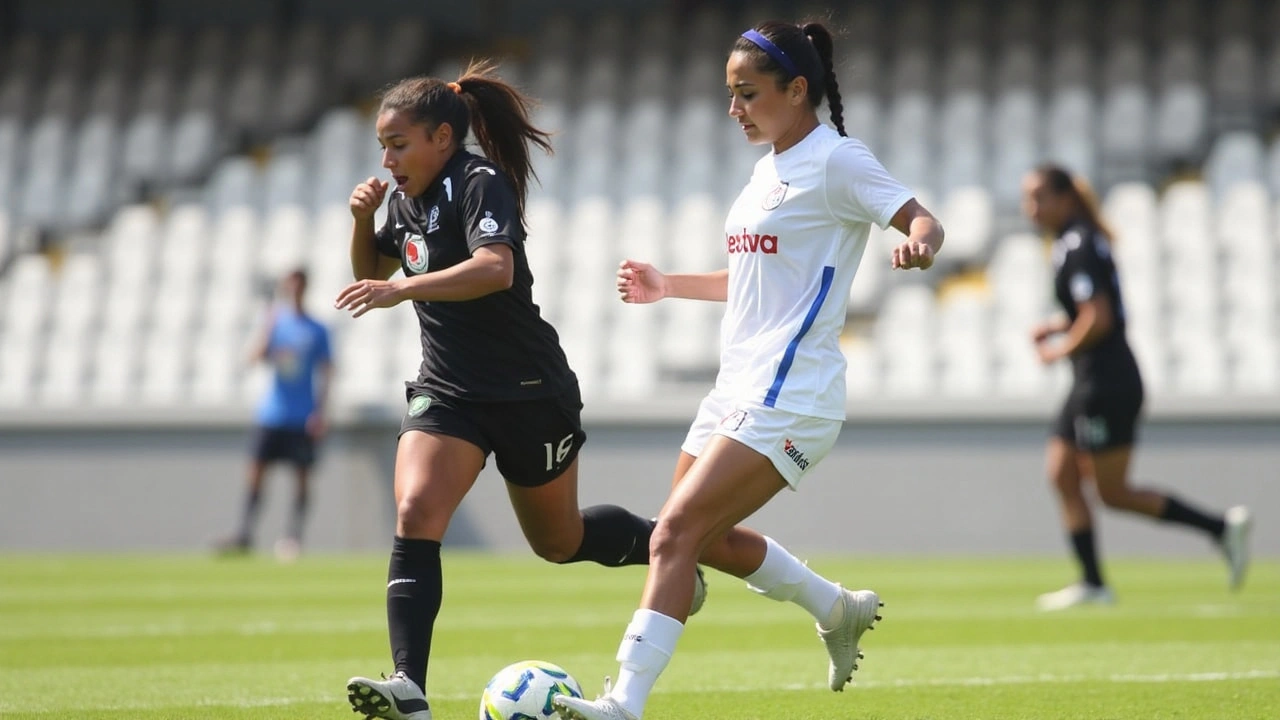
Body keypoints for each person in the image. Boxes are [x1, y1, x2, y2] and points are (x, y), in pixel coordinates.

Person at [554, 20, 944, 720]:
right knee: (696, 538)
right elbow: (757, 278)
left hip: (793, 395)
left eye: (747, 93)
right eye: (729, 94)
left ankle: (624, 703)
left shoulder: (838, 160)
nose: (734, 108)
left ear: (798, 90)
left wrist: (917, 245)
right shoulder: (767, 168)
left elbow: (923, 221)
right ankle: (836, 607)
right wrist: (669, 284)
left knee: (672, 535)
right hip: (737, 387)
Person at [335, 61, 707, 720]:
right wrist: (363, 223)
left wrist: (402, 288)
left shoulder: (481, 182)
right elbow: (373, 272)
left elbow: (494, 268)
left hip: (529, 389)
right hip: (448, 391)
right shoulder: (401, 199)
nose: (387, 159)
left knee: (558, 543)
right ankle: (409, 688)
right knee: (416, 511)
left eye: (398, 144)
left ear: (443, 138)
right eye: (382, 146)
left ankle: (663, 546)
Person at [1020, 164, 1253, 611]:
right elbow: (1092, 310)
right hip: (1091, 378)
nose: (1030, 208)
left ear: (1065, 198)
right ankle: (1092, 583)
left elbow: (1100, 319)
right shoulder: (1073, 240)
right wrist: (1056, 327)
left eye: (1038, 198)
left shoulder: (1079, 243)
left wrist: (1059, 347)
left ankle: (1221, 529)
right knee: (1061, 472)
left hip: (1106, 382)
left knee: (1113, 493)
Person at [216, 268, 332, 562]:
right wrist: (267, 325)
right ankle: (245, 533)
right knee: (256, 474)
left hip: (302, 414)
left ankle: (293, 537)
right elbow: (254, 358)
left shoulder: (317, 329)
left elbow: (326, 371)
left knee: (302, 478)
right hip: (272, 413)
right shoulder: (274, 323)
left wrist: (320, 411)